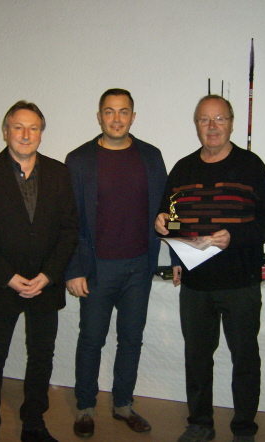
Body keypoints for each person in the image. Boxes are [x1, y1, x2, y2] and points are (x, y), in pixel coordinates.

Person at [155, 95, 265, 442]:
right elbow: (174, 220)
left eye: (219, 119)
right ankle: (200, 423)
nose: (212, 127)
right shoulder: (182, 169)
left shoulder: (251, 166)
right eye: (204, 120)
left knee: (245, 359)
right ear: (196, 125)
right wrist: (163, 226)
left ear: (231, 123)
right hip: (195, 284)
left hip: (240, 281)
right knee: (197, 358)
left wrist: (235, 236)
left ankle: (244, 428)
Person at [0, 100, 79, 442]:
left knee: (41, 357)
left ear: (41, 133)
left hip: (46, 283)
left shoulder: (59, 172)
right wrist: (8, 277)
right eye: (18, 127)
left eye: (34, 128)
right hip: (2, 284)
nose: (26, 134)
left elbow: (70, 229)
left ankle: (33, 424)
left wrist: (49, 274)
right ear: (5, 131)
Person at [65, 88, 167, 438]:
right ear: (99, 117)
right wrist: (73, 269)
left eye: (124, 112)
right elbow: (69, 220)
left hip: (139, 266)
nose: (117, 118)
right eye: (109, 111)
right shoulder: (78, 160)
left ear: (133, 117)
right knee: (91, 340)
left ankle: (123, 405)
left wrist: (175, 255)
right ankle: (85, 407)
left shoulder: (151, 156)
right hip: (97, 268)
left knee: (131, 339)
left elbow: (167, 209)